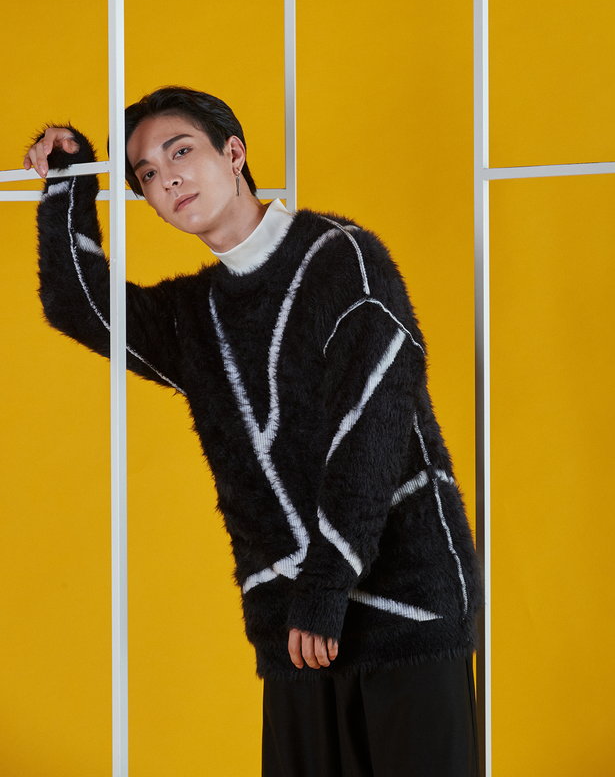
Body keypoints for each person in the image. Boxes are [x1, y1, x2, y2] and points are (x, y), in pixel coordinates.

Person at [23, 85, 482, 776]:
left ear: (233, 153)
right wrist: (70, 179)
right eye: (147, 173)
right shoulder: (196, 316)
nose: (168, 177)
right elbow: (77, 304)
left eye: (181, 152)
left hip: (406, 611)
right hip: (294, 629)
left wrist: (325, 589)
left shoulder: (341, 257)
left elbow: (374, 426)